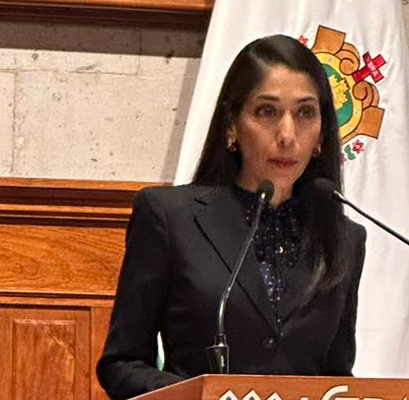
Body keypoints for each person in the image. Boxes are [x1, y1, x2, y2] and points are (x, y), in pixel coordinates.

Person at [97, 34, 366, 400]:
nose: (287, 135)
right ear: (231, 125)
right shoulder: (170, 218)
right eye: (267, 111)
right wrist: (202, 395)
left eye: (305, 113)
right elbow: (121, 364)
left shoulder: (345, 239)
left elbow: (337, 377)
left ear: (322, 133)